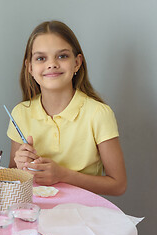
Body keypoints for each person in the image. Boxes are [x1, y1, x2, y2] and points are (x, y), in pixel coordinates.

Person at [7, 21, 126, 196]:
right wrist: (20, 165)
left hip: (83, 213)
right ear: (30, 67)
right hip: (36, 210)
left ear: (77, 63)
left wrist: (63, 175)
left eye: (62, 56)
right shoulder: (20, 112)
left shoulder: (98, 114)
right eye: (41, 58)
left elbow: (118, 185)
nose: (52, 64)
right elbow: (11, 175)